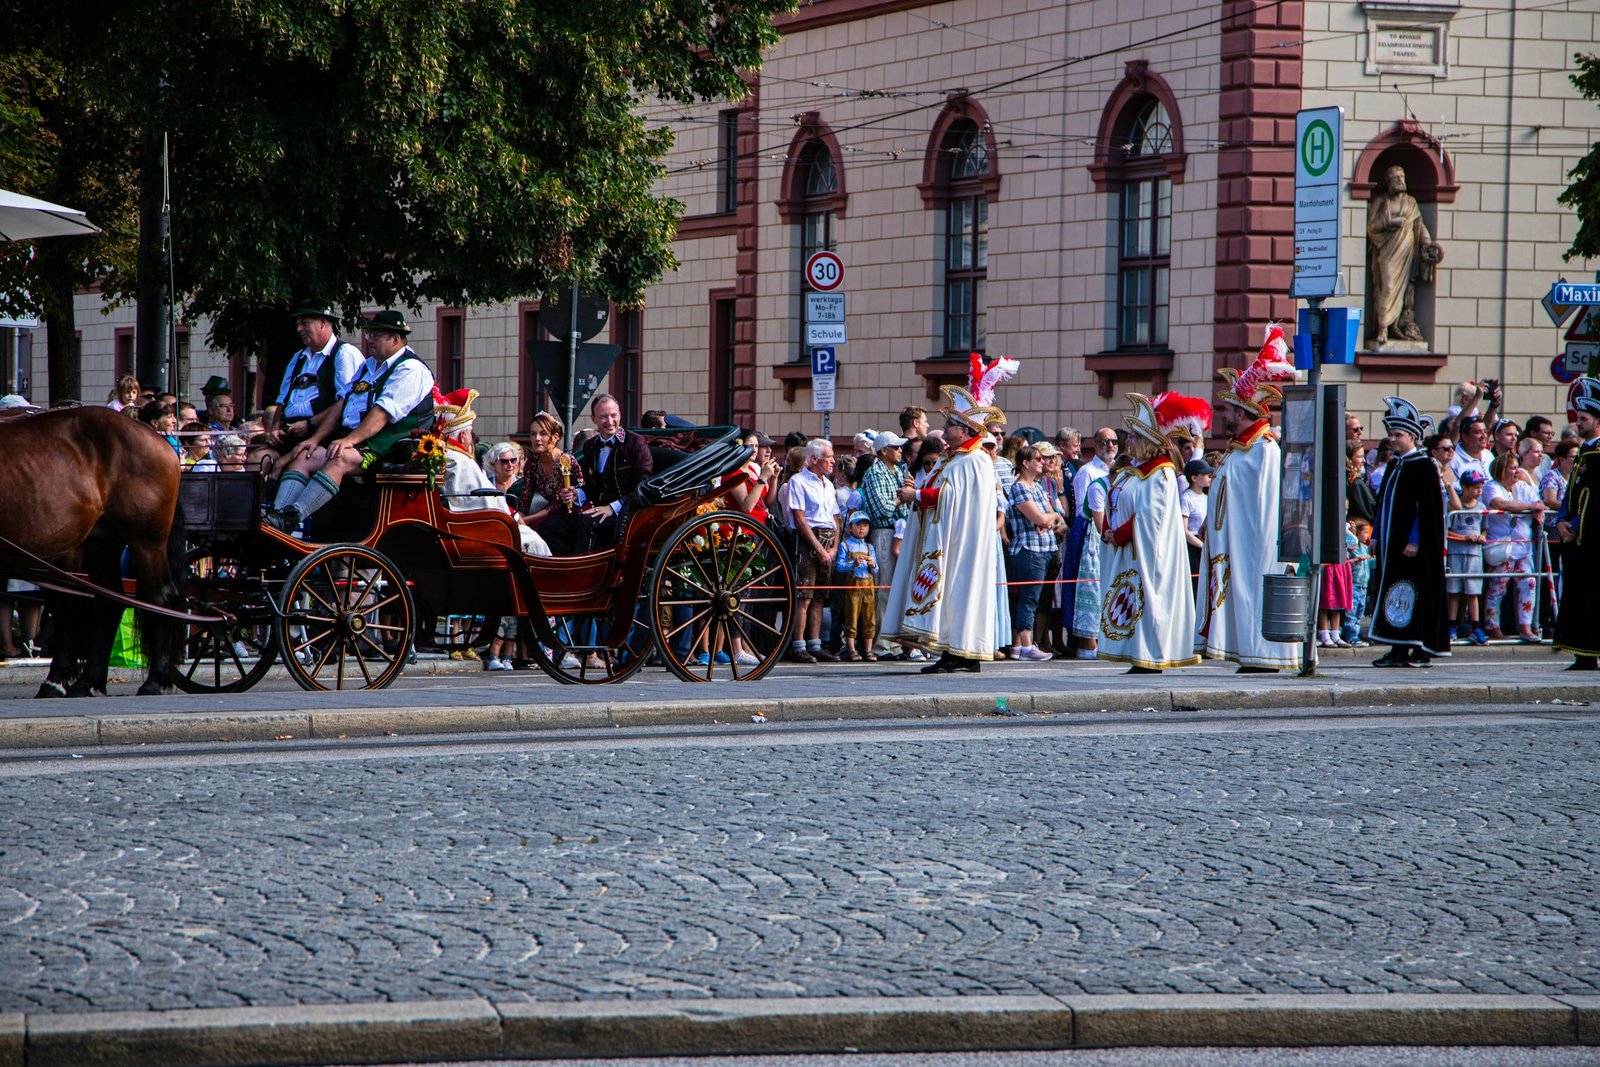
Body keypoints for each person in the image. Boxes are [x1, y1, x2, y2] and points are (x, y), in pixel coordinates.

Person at [884, 367, 1013, 673]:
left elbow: (952, 497)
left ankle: (960, 652)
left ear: (966, 430)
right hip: (949, 538)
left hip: (962, 543)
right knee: (953, 594)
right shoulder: (954, 457)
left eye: (950, 424)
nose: (944, 430)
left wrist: (914, 497)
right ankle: (956, 651)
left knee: (959, 594)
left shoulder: (976, 459)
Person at [264, 310, 437, 533]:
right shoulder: (368, 366)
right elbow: (341, 404)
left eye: (375, 335)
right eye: (369, 335)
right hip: (360, 441)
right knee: (304, 455)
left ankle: (292, 516)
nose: (370, 341)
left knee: (340, 456)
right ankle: (276, 518)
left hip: (390, 445)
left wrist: (349, 441)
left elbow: (382, 413)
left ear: (395, 339)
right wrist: (315, 439)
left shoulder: (410, 368)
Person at [1196, 327, 1300, 672]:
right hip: (1233, 544)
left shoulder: (1264, 449)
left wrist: (1258, 544)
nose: (1225, 415)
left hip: (1254, 546)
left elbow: (1269, 506)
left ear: (1242, 414)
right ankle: (1247, 653)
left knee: (1253, 596)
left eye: (1228, 410)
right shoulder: (1239, 449)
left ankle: (1263, 656)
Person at [1100, 391, 1209, 674]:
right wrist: (1108, 529)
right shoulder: (1132, 472)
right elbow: (1114, 501)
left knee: (1147, 599)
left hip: (1149, 553)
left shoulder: (1161, 474)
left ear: (1148, 442)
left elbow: (1150, 519)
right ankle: (1136, 653)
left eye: (1135, 437)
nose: (1129, 442)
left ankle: (1149, 655)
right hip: (1129, 552)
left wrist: (1120, 534)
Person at [1370, 396, 1451, 666]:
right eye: (1390, 434)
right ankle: (1399, 647)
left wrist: (1415, 539)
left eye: (1398, 434)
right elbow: (1383, 503)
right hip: (1392, 545)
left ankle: (1415, 646)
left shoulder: (1424, 466)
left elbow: (1426, 511)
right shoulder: (1395, 465)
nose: (1392, 439)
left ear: (1413, 436)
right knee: (1395, 593)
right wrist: (1376, 536)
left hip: (1411, 547)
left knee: (1410, 592)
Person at [435, 390, 550, 562]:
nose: (471, 439)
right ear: (462, 435)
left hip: (472, 521)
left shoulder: (448, 455)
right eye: (470, 434)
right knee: (534, 541)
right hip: (481, 527)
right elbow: (482, 501)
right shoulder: (461, 461)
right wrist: (512, 517)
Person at [259, 300, 363, 469]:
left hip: (324, 436)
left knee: (284, 465)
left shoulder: (344, 354)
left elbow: (345, 402)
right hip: (290, 435)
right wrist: (275, 429)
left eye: (304, 323)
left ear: (323, 322)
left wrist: (310, 424)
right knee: (258, 459)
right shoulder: (298, 358)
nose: (299, 329)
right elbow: (282, 399)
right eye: (298, 324)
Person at [1365, 164, 1443, 345]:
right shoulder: (1381, 202)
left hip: (1407, 252)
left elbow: (1419, 225)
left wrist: (1429, 244)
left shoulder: (1411, 203)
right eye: (1396, 177)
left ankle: (1394, 327)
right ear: (1389, 182)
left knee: (1405, 291)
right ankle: (1382, 327)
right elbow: (1371, 227)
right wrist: (1391, 223)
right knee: (1389, 286)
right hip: (1388, 251)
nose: (1400, 180)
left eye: (1402, 176)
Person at [1554, 376, 1600, 669]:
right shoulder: (1583, 452)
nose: (1578, 422)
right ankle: (1582, 653)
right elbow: (1570, 492)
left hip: (1591, 538)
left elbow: (1597, 500)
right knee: (1578, 596)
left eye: (1584, 418)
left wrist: (1576, 526)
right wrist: (1560, 522)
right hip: (1576, 539)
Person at [1005, 444, 1066, 661]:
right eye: (1038, 459)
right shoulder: (1020, 487)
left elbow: (1055, 514)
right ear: (1025, 463)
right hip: (1029, 549)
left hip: (1046, 547)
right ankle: (1025, 646)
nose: (1042, 462)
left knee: (1038, 599)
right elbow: (1041, 519)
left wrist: (1048, 518)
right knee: (1028, 599)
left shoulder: (1038, 487)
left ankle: (1027, 644)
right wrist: (1047, 519)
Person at [574, 393, 653, 546]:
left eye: (613, 415)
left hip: (627, 513)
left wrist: (612, 507)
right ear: (594, 419)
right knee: (552, 525)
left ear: (620, 416)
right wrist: (576, 493)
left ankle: (584, 569)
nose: (610, 422)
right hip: (597, 509)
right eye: (603, 417)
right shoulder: (590, 446)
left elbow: (643, 485)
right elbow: (591, 486)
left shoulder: (635, 443)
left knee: (586, 522)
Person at [787, 438, 840, 663]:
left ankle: (815, 644)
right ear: (814, 459)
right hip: (809, 539)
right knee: (804, 596)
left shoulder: (828, 484)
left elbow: (836, 518)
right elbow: (799, 519)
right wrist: (819, 548)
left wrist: (835, 546)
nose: (833, 461)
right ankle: (798, 645)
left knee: (820, 597)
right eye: (829, 457)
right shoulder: (798, 481)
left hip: (828, 539)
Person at [1481, 450, 1543, 643]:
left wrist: (1535, 508)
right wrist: (1528, 508)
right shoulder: (1491, 486)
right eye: (1513, 468)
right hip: (1501, 547)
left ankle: (1525, 627)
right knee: (1498, 586)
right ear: (1502, 470)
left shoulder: (1523, 486)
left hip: (1522, 547)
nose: (1517, 472)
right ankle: (1493, 627)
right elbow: (1500, 504)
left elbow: (1537, 503)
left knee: (1529, 583)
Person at [859, 429, 910, 659]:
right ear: (884, 451)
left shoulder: (899, 472)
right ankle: (882, 644)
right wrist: (903, 497)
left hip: (899, 532)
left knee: (896, 590)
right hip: (884, 533)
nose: (901, 451)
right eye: (896, 447)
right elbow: (884, 508)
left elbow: (905, 507)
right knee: (884, 590)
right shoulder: (875, 473)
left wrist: (906, 495)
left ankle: (894, 643)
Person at [515, 411, 591, 555]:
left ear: (555, 437)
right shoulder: (532, 464)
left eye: (542, 434)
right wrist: (518, 516)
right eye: (533, 434)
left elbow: (557, 504)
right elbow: (526, 497)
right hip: (549, 515)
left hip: (574, 514)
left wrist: (527, 520)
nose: (537, 438)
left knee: (541, 528)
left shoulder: (566, 461)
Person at [1446, 469, 1489, 644]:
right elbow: (1447, 531)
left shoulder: (1482, 507)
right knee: (1454, 591)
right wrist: (1464, 538)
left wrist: (1482, 536)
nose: (1478, 491)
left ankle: (1475, 626)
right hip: (1456, 552)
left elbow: (1484, 527)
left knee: (1473, 591)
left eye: (1480, 488)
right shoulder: (1454, 506)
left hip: (1474, 554)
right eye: (1474, 488)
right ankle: (1452, 625)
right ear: (1464, 487)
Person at [835, 511, 879, 661]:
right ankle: (851, 649)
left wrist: (872, 564)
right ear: (850, 527)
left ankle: (868, 649)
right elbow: (839, 566)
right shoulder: (845, 544)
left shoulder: (869, 547)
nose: (862, 529)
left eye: (865, 525)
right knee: (851, 616)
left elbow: (876, 568)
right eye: (858, 525)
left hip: (869, 586)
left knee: (869, 617)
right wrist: (852, 564)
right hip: (853, 585)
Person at [1180, 458, 1211, 596]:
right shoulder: (1186, 498)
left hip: (1205, 546)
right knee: (1195, 587)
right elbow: (1184, 531)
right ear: (1194, 478)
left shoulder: (1207, 497)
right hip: (1193, 549)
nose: (1209, 477)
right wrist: (1202, 546)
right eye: (1205, 475)